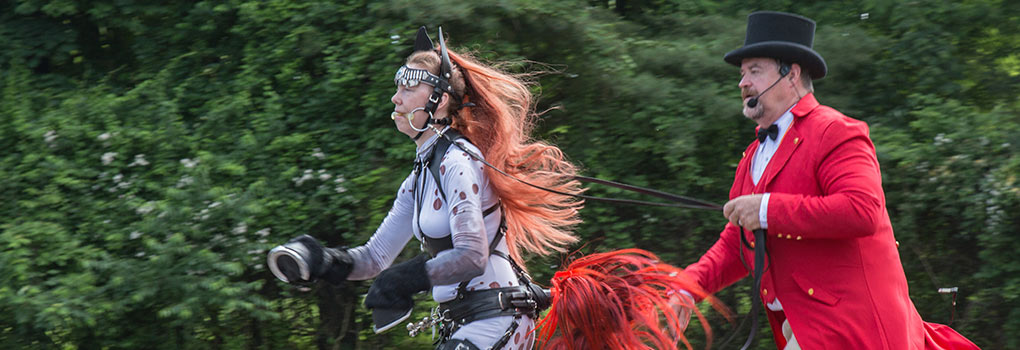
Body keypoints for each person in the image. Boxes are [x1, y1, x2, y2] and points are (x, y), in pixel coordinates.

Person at [266, 27, 720, 350]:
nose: (395, 98)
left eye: (407, 87)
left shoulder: (459, 161)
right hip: (470, 326)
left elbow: (471, 255)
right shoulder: (420, 176)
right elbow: (373, 259)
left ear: (438, 101)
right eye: (396, 87)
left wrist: (404, 279)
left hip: (496, 320)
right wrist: (322, 261)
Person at [683, 11, 979, 350]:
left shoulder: (836, 132)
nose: (742, 83)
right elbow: (738, 242)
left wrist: (766, 209)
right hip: (805, 333)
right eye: (742, 74)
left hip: (856, 330)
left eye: (754, 71)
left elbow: (862, 210)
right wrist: (685, 286)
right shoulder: (752, 157)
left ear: (790, 74)